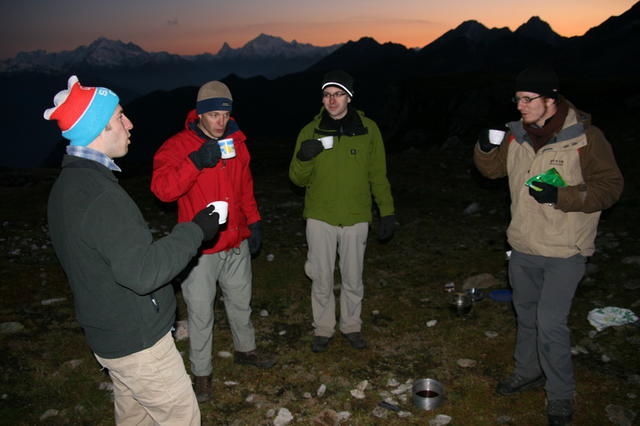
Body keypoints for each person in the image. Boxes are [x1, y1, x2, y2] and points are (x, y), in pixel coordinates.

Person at [46, 75, 222, 425]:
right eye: (121, 117)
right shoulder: (100, 196)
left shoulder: (68, 185)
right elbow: (143, 273)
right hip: (139, 344)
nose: (130, 123)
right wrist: (195, 231)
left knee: (135, 419)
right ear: (100, 127)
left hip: (111, 338)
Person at [474, 66, 623, 426]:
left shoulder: (586, 138)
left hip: (565, 250)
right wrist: (483, 146)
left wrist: (562, 195)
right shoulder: (516, 136)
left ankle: (560, 394)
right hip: (523, 245)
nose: (520, 106)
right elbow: (491, 171)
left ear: (550, 101)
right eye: (518, 100)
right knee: (526, 317)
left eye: (528, 100)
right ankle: (527, 372)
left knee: (551, 323)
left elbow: (610, 187)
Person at [151, 80, 275, 403]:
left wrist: (254, 221)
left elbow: (244, 185)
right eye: (214, 115)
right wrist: (195, 162)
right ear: (200, 114)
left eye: (225, 114)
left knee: (239, 301)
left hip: (235, 240)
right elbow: (162, 189)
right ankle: (202, 373)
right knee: (201, 311)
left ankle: (246, 350)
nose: (221, 121)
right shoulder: (178, 146)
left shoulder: (237, 141)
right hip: (200, 249)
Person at [289, 70, 396, 353]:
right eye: (327, 95)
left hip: (356, 216)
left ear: (349, 97)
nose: (332, 100)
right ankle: (323, 328)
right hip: (319, 216)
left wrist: (387, 211)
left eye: (337, 94)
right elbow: (296, 179)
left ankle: (351, 325)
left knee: (352, 277)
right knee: (321, 277)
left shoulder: (368, 129)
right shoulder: (309, 131)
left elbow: (378, 174)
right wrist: (303, 157)